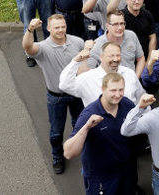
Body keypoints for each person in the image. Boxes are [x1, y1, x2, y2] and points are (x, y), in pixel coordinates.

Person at [22, 15, 87, 174]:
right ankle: (57, 156)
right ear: (49, 28)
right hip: (56, 97)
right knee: (56, 131)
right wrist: (30, 29)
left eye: (62, 26)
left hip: (76, 93)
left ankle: (80, 151)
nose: (60, 30)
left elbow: (85, 64)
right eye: (56, 27)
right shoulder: (43, 47)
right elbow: (27, 47)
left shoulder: (77, 42)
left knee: (79, 125)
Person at [64, 73, 138, 194]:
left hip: (126, 172)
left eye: (121, 90)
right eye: (113, 90)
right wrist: (87, 127)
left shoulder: (127, 104)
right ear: (103, 89)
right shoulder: (89, 114)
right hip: (102, 178)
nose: (118, 94)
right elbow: (69, 152)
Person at [60, 42, 144, 105]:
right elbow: (64, 85)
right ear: (101, 57)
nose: (115, 59)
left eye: (118, 55)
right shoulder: (88, 78)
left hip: (128, 127)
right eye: (111, 56)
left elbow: (141, 98)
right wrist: (76, 61)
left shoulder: (129, 74)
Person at [87, 10, 145, 77]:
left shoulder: (131, 36)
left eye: (122, 23)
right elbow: (89, 70)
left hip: (130, 83)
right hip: (109, 85)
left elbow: (141, 58)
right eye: (115, 24)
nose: (120, 27)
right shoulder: (98, 44)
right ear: (107, 26)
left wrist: (135, 78)